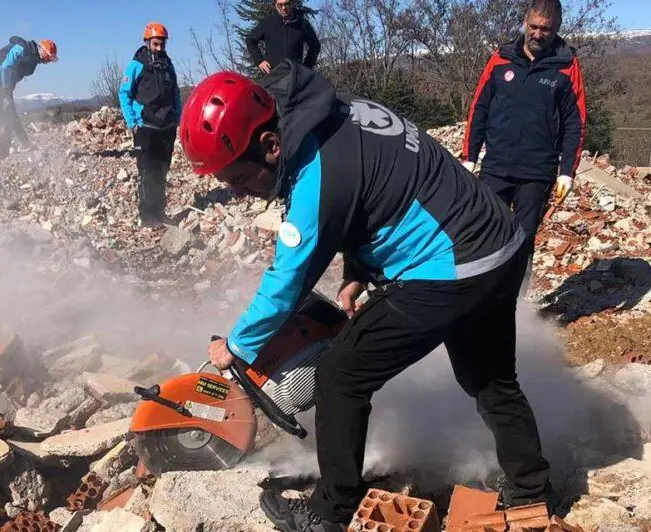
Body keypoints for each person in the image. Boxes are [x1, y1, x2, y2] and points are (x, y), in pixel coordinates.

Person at [180, 61, 553, 532]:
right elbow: (379, 190)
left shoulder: (317, 177)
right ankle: (533, 490)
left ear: (270, 146)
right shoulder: (334, 112)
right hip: (500, 244)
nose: (236, 193)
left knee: (341, 373)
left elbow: (286, 281)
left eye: (237, 178)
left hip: (453, 266)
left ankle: (327, 514)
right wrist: (359, 270)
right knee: (491, 379)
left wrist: (234, 346)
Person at [462, 0, 586, 288]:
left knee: (523, 237)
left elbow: (575, 122)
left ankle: (515, 303)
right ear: (525, 23)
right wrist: (470, 156)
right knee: (485, 230)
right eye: (533, 26)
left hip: (537, 171)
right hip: (496, 166)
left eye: (546, 29)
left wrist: (567, 171)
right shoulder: (501, 58)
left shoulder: (567, 65)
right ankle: (477, 296)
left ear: (556, 28)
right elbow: (479, 107)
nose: (538, 34)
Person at [118, 22, 181, 227]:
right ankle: (147, 216)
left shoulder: (168, 65)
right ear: (147, 42)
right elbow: (124, 93)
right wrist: (131, 121)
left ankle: (159, 213)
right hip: (145, 126)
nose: (159, 48)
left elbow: (176, 93)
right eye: (156, 44)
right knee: (147, 171)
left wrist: (177, 117)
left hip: (167, 126)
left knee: (162, 171)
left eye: (162, 44)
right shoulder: (136, 64)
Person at [0, 37, 58, 159]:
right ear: (43, 51)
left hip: (2, 84)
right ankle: (3, 158)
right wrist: (6, 89)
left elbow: (15, 74)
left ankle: (26, 145)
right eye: (49, 57)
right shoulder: (22, 48)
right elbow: (6, 66)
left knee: (12, 116)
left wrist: (9, 88)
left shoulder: (32, 60)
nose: (49, 61)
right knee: (7, 119)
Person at [246, 0, 321, 76]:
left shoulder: (302, 24)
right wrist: (259, 61)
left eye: (286, 4)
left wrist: (306, 68)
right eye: (280, 5)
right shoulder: (268, 23)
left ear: (292, 4)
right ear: (275, 5)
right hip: (273, 77)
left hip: (295, 77)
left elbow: (315, 46)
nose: (284, 8)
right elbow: (250, 40)